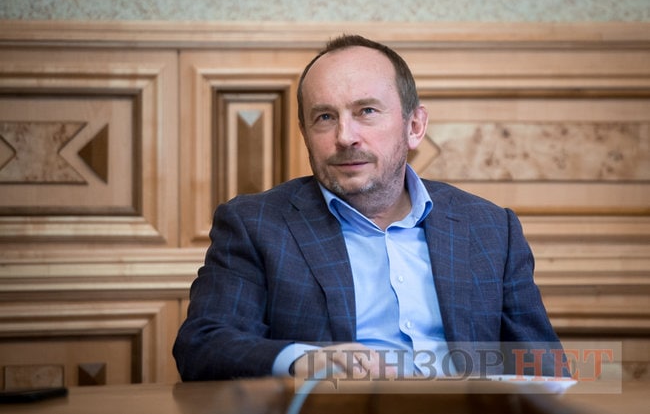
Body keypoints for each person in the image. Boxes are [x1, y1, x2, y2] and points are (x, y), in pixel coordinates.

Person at [173, 34, 566, 381]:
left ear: (414, 126)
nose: (345, 137)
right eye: (325, 117)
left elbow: (543, 367)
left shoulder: (490, 228)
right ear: (305, 133)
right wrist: (304, 361)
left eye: (366, 111)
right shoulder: (256, 224)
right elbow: (203, 345)